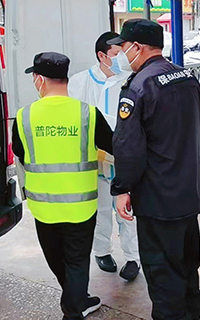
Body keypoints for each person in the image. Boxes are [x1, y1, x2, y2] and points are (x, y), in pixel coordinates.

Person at [109, 19, 200, 320]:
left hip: (157, 201)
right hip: (188, 193)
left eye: (123, 47)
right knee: (187, 265)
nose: (120, 55)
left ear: (137, 47)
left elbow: (128, 146)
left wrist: (122, 187)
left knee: (162, 273)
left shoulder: (138, 87)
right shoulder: (187, 77)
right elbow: (199, 136)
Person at [11, 51, 113, 320]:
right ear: (65, 79)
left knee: (57, 260)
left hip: (44, 207)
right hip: (81, 206)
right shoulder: (88, 114)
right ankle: (77, 300)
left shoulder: (24, 116)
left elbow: (20, 153)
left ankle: (73, 310)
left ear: (39, 79)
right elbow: (114, 146)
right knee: (77, 262)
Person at [68, 31, 140, 281]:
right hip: (93, 158)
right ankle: (102, 251)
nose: (123, 59)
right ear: (102, 56)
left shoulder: (131, 80)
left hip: (124, 156)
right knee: (100, 209)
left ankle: (133, 257)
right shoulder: (80, 81)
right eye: (117, 54)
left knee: (127, 209)